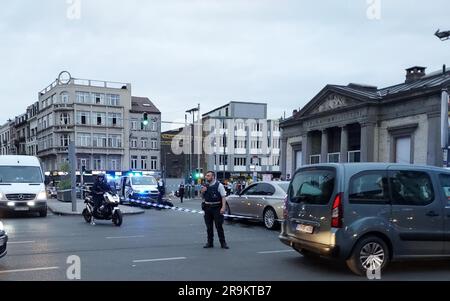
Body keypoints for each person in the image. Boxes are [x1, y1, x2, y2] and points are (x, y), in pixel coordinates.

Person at [201, 171, 229, 249]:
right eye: (206, 176)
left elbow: (223, 197)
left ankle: (223, 243)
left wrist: (223, 207)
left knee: (219, 226)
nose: (206, 177)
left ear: (213, 177)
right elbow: (202, 197)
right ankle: (210, 243)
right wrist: (202, 192)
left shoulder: (219, 185)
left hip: (217, 207)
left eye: (208, 176)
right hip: (207, 208)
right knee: (209, 227)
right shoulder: (205, 185)